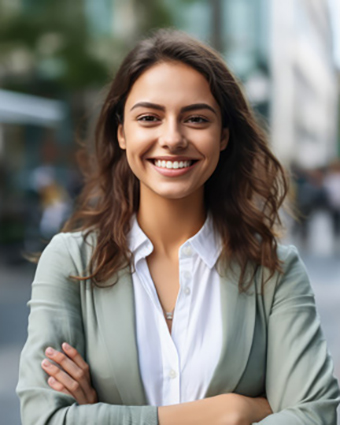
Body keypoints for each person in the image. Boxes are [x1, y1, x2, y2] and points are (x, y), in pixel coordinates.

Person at [17, 29, 340, 425]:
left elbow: (314, 414)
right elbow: (44, 419)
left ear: (223, 136)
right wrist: (230, 411)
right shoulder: (70, 262)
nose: (172, 138)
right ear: (122, 132)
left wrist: (101, 416)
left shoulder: (274, 271)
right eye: (149, 118)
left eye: (196, 119)